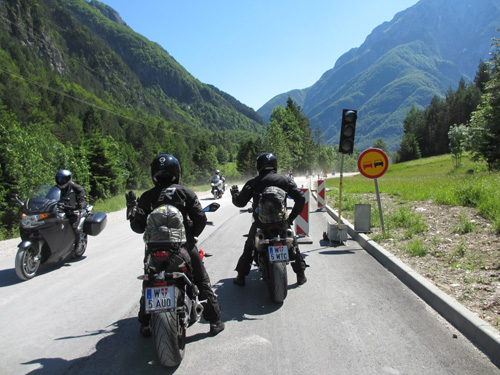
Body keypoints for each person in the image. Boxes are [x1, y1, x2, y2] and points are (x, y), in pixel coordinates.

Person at [126, 154, 224, 337]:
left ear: (154, 174)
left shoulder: (147, 196)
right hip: (182, 247)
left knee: (150, 280)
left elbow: (137, 227)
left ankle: (145, 323)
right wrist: (190, 236)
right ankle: (215, 321)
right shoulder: (185, 192)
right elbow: (200, 219)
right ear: (177, 173)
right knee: (201, 280)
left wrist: (131, 209)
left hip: (154, 250)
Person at [230, 153, 308, 286]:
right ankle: (301, 275)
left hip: (261, 223)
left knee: (249, 246)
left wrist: (234, 194)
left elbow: (240, 202)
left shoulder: (254, 182)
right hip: (282, 222)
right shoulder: (285, 180)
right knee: (293, 245)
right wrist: (291, 218)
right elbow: (301, 198)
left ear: (259, 166)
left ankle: (241, 276)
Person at [55, 169, 87, 253]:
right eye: (59, 179)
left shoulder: (76, 188)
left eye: (63, 179)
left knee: (73, 226)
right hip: (60, 211)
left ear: (68, 179)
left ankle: (77, 244)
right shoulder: (56, 189)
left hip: (73, 211)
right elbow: (49, 197)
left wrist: (80, 205)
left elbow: (83, 199)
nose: (60, 181)